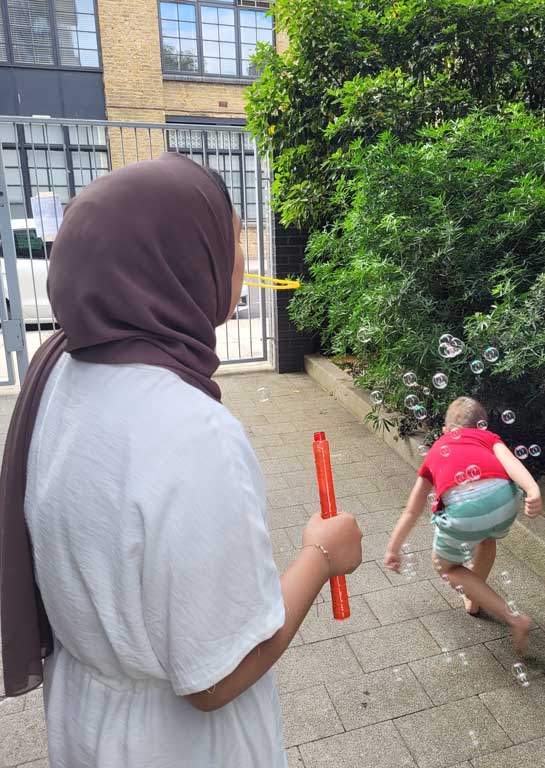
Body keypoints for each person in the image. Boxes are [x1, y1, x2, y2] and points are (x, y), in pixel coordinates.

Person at [0, 153, 363, 768]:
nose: (240, 261)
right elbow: (214, 676)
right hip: (175, 746)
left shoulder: (58, 368)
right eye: (229, 240)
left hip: (83, 716)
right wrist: (322, 554)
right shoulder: (192, 432)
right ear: (180, 262)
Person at [384, 396, 541, 655]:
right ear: (482, 426)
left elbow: (413, 510)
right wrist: (532, 489)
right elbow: (511, 462)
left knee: (445, 565)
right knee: (487, 538)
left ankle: (514, 617)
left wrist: (393, 548)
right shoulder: (488, 437)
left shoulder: (437, 448)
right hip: (506, 499)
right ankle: (474, 598)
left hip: (464, 508)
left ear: (445, 431)